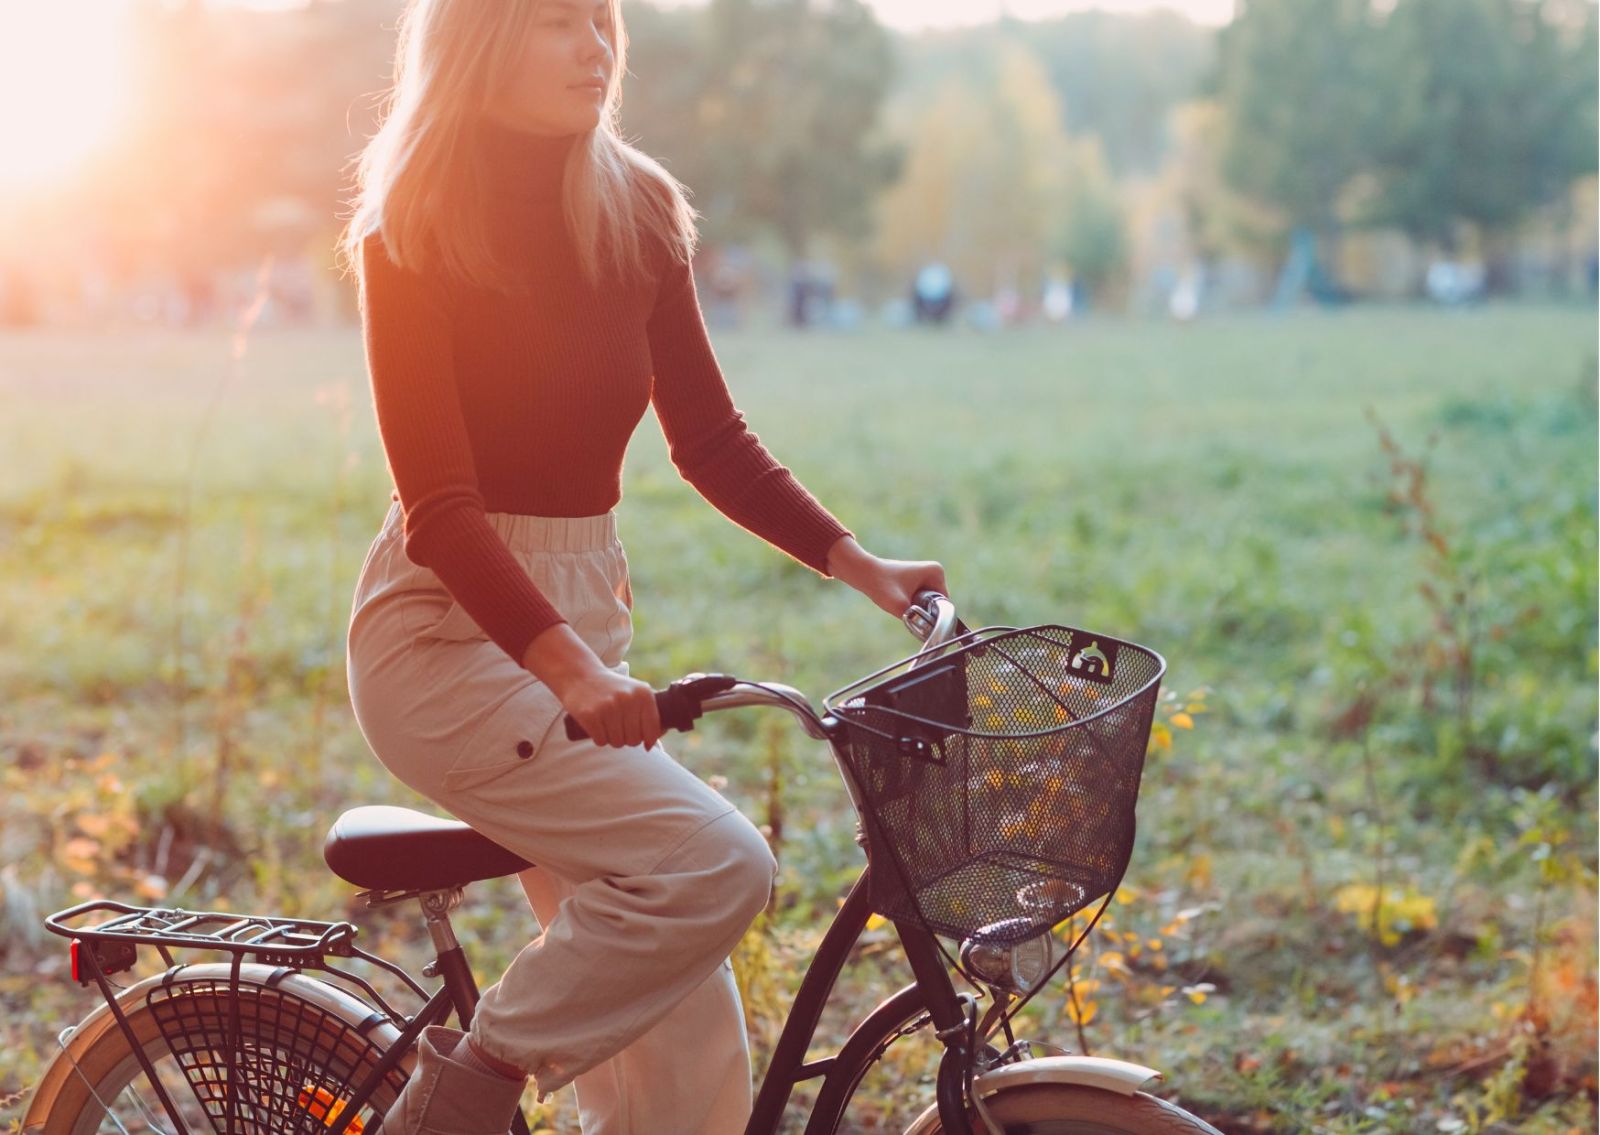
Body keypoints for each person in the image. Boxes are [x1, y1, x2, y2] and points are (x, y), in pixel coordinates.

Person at [336, 3, 946, 1134]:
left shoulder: (637, 209)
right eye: (556, 21)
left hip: (581, 621)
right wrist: (568, 668)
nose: (595, 45)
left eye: (602, 19)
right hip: (447, 638)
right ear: (479, 42)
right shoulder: (413, 228)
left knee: (686, 1049)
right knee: (715, 864)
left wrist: (858, 564)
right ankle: (461, 1092)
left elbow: (709, 440)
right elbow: (441, 512)